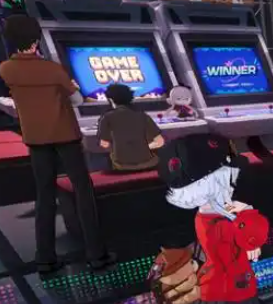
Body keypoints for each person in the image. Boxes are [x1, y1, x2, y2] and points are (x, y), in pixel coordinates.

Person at [157, 134, 269, 304]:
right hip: (229, 288)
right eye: (227, 174)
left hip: (220, 285)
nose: (232, 180)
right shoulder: (222, 217)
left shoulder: (208, 213)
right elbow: (254, 237)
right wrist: (246, 212)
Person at [0, 15, 114, 274]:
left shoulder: (6, 69)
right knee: (83, 191)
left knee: (44, 196)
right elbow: (77, 100)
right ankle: (96, 254)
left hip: (36, 139)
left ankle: (45, 258)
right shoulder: (52, 69)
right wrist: (68, 89)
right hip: (66, 137)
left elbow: (8, 100)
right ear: (36, 40)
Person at [97, 83, 164, 172]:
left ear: (111, 99)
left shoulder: (107, 117)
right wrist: (142, 148)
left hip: (122, 165)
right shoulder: (142, 115)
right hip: (147, 162)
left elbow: (104, 144)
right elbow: (160, 142)